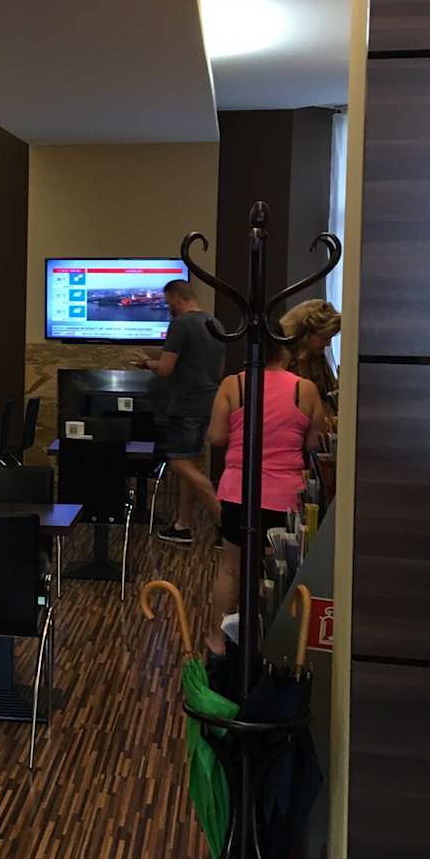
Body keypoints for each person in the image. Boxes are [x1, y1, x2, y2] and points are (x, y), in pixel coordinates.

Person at [205, 334, 324, 654]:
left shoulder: (234, 385)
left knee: (231, 568)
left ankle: (218, 641)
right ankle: (267, 644)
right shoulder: (305, 389)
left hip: (238, 491)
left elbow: (216, 436)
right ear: (283, 349)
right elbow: (315, 443)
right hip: (285, 496)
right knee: (273, 572)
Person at [140, 279, 223, 544]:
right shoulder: (214, 323)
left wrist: (148, 363)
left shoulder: (181, 324)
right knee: (191, 463)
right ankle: (182, 525)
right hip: (209, 402)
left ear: (177, 297)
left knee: (178, 462)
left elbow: (166, 369)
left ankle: (225, 520)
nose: (168, 307)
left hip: (186, 404)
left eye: (168, 302)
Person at [280, 299, 340, 419]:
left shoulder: (317, 358)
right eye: (324, 337)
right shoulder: (281, 361)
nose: (328, 343)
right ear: (306, 333)